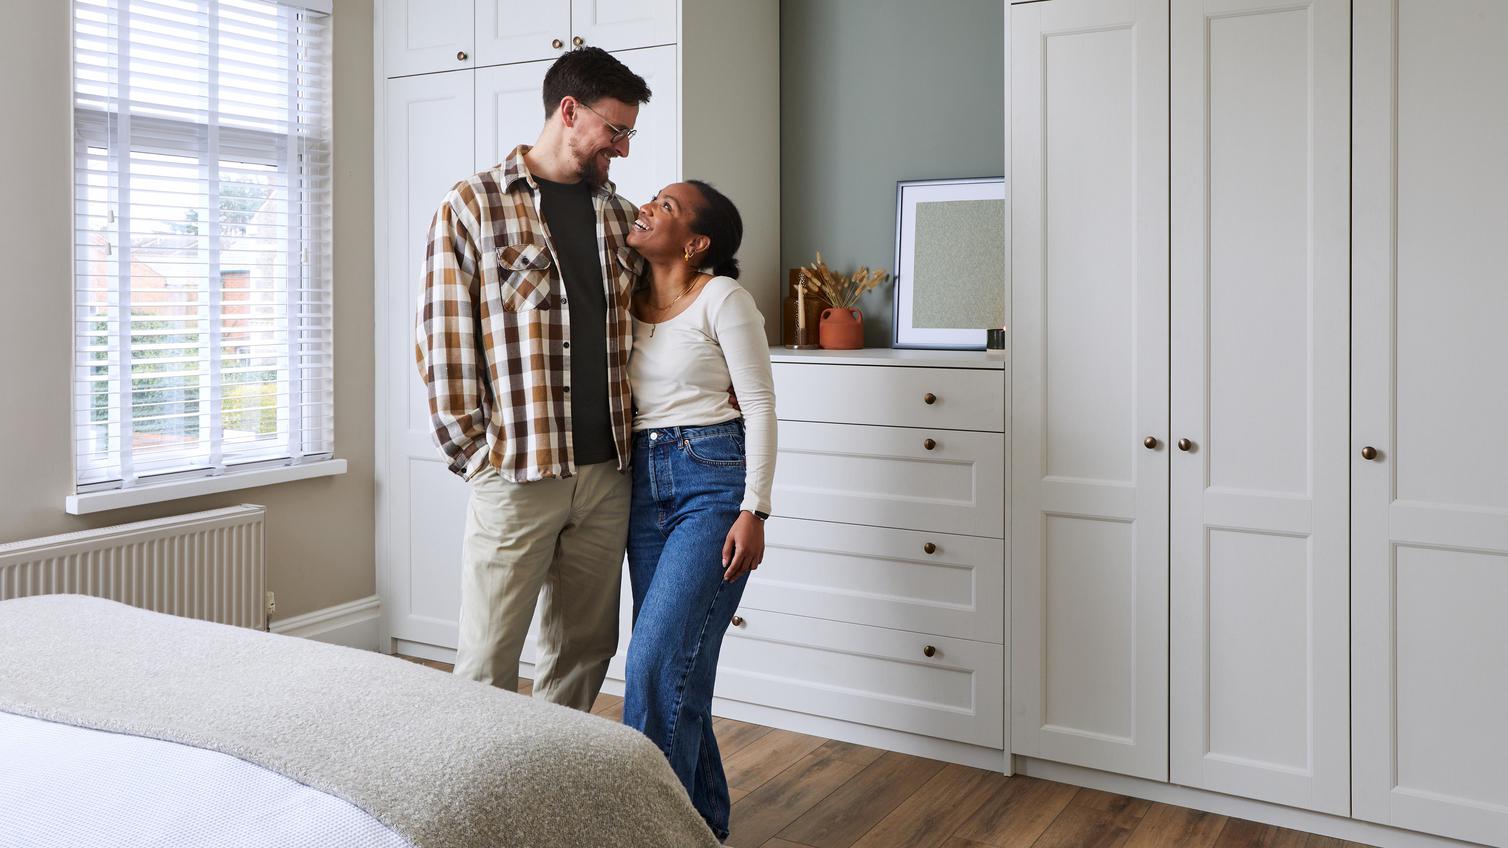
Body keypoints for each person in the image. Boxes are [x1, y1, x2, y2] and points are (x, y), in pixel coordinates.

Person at [413, 47, 651, 710]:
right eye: (617, 130)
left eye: (630, 134)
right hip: (516, 473)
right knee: (488, 658)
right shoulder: (474, 205)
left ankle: (550, 798)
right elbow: (442, 341)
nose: (624, 149)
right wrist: (478, 455)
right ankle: (475, 805)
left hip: (608, 478)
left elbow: (660, 321)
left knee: (583, 652)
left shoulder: (620, 217)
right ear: (569, 111)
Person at [620, 180, 776, 841]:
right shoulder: (621, 299)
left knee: (654, 664)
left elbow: (761, 406)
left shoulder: (722, 298)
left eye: (668, 207)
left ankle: (644, 832)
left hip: (712, 481)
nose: (647, 208)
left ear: (696, 242)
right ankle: (703, 823)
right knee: (682, 666)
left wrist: (755, 510)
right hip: (638, 484)